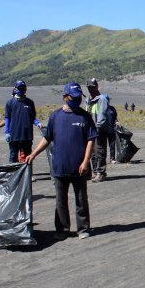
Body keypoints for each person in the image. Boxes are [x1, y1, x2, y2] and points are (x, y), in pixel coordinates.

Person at [26, 82, 97, 240]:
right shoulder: (55, 116)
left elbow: (91, 140)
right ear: (65, 97)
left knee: (81, 199)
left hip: (79, 166)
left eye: (79, 97)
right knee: (60, 200)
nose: (77, 100)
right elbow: (47, 138)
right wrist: (34, 153)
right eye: (74, 97)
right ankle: (62, 229)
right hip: (60, 166)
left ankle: (83, 228)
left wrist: (86, 161)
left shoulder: (85, 116)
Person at [0, 80, 41, 163]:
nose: (22, 89)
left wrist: (37, 123)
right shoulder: (10, 103)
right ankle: (14, 175)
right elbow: (7, 118)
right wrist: (7, 132)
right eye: (19, 88)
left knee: (27, 157)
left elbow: (32, 117)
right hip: (14, 136)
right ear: (15, 89)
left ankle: (27, 175)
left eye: (23, 87)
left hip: (27, 136)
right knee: (13, 156)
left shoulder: (30, 102)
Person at [85, 78, 110, 182]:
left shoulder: (102, 99)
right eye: (89, 87)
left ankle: (101, 172)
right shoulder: (88, 100)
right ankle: (95, 172)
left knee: (99, 151)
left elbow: (102, 114)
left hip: (99, 129)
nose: (91, 89)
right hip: (91, 129)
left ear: (96, 87)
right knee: (92, 152)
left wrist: (98, 127)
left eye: (92, 87)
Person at [104, 97, 119, 163]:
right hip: (103, 130)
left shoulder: (112, 108)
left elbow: (115, 117)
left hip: (112, 129)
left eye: (108, 100)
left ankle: (112, 158)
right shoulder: (101, 108)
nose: (107, 101)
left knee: (112, 145)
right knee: (103, 146)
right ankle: (102, 159)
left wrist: (117, 121)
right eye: (106, 100)